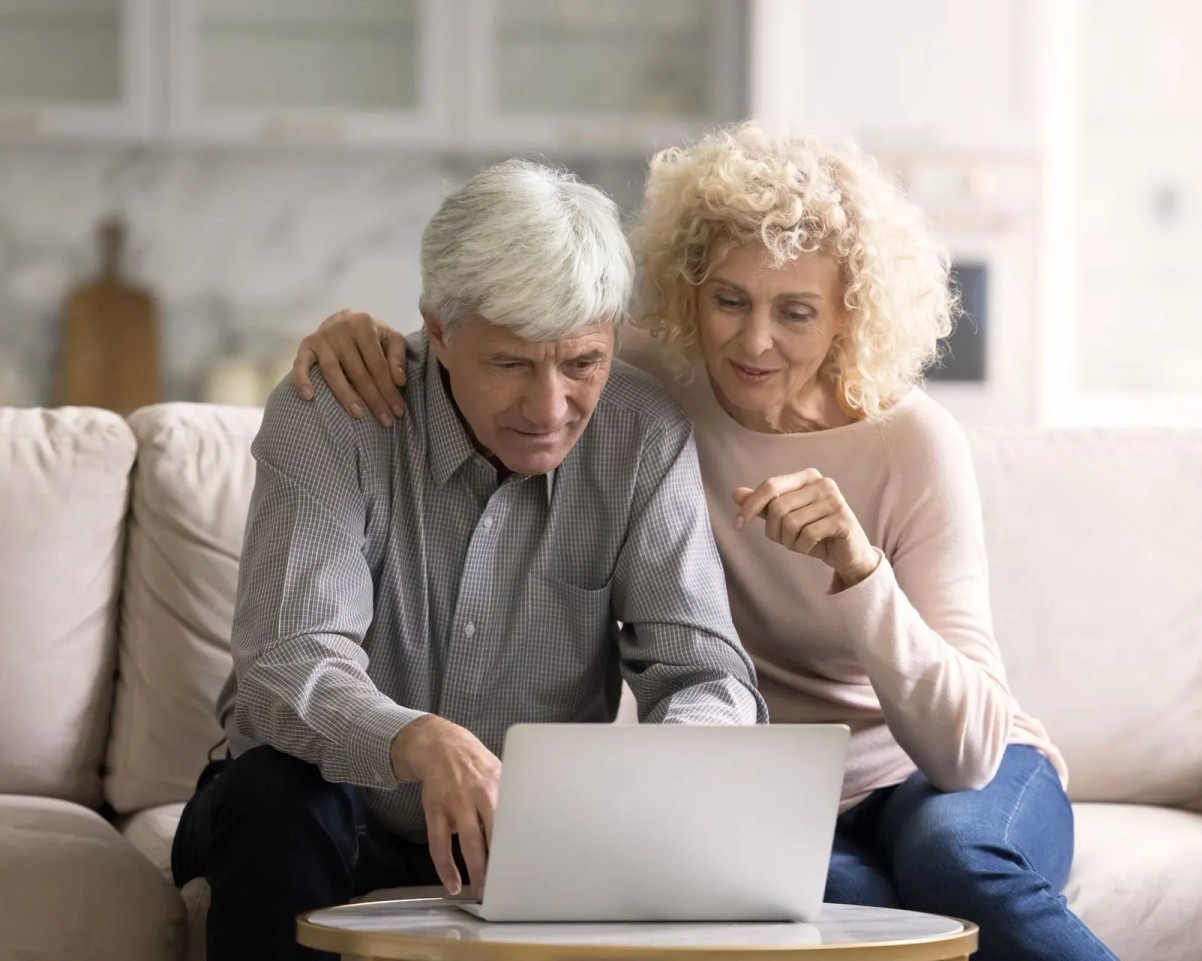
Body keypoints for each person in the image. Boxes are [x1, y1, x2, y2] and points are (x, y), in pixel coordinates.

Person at [295, 125, 1117, 961]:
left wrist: (861, 573)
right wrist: (353, 334)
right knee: (839, 900)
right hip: (768, 784)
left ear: (848, 314)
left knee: (951, 858)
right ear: (690, 291)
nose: (754, 342)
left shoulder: (912, 443)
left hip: (946, 770)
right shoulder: (647, 388)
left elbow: (966, 748)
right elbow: (503, 332)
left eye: (796, 311)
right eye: (729, 300)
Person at [172, 159, 767, 961]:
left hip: (537, 838)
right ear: (440, 331)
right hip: (332, 812)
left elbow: (706, 673)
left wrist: (672, 760)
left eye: (582, 363)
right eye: (512, 364)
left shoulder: (642, 435)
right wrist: (421, 740)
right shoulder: (334, 416)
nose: (550, 409)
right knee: (276, 795)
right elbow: (287, 662)